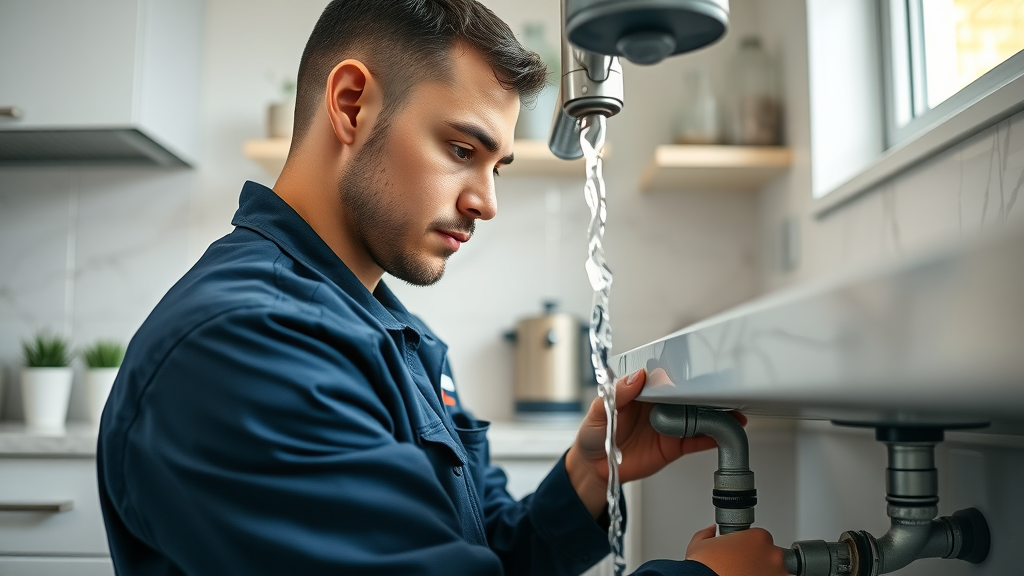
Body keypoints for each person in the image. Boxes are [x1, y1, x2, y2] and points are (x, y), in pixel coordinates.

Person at [97, 1, 789, 574]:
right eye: (462, 150)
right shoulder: (243, 348)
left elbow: (472, 552)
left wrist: (586, 479)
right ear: (350, 104)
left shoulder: (396, 339)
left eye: (498, 167)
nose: (486, 202)